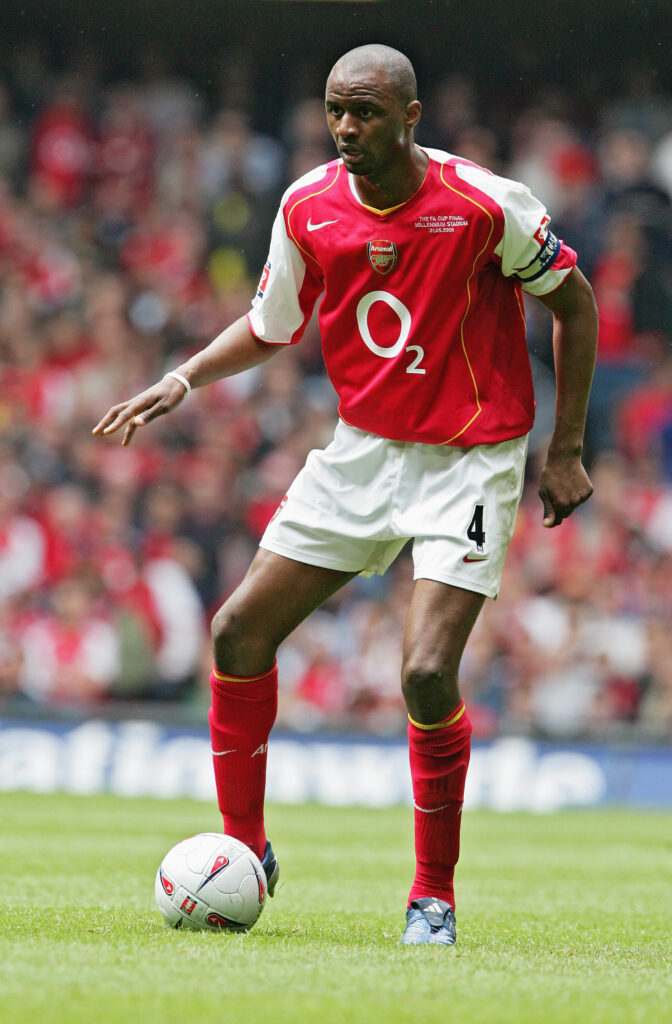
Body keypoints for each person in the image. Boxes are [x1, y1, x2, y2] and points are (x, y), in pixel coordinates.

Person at [93, 44, 598, 946]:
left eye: (365, 111)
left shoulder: (484, 204)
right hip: (363, 452)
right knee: (237, 632)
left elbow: (577, 305)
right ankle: (245, 849)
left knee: (424, 672)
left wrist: (564, 448)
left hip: (470, 457)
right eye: (335, 110)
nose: (346, 128)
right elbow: (270, 325)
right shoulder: (308, 205)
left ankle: (431, 897)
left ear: (410, 115)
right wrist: (184, 378)